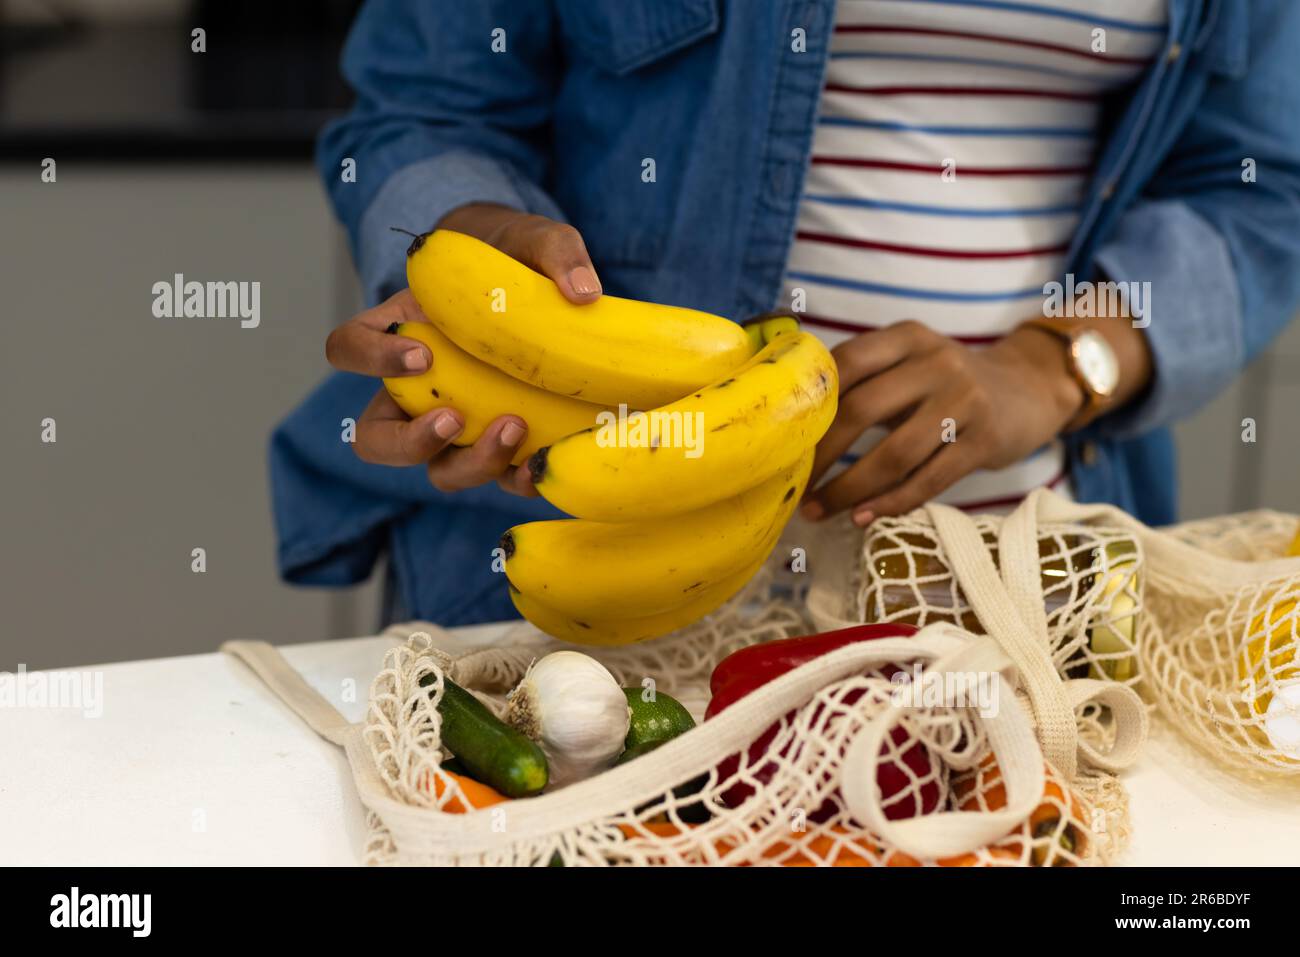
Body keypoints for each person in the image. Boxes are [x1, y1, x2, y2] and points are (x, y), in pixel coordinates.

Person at [272, 0, 1300, 627]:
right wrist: (469, 253)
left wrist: (1057, 364)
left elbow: (1260, 189)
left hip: (1024, 577)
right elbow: (423, 104)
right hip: (582, 552)